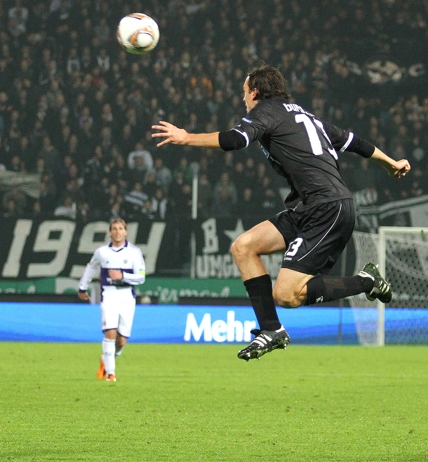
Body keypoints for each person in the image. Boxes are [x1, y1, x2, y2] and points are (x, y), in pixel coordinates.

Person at [152, 65, 411, 361]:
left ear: (256, 92)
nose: (243, 100)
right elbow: (354, 142)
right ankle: (271, 330)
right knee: (244, 247)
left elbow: (236, 140)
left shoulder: (265, 112)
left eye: (244, 93)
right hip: (307, 206)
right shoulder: (304, 116)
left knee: (287, 295)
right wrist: (390, 162)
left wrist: (187, 138)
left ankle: (366, 281)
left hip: (327, 208)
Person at [78, 218, 146, 381]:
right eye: (114, 229)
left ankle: (106, 359)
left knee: (121, 341)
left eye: (121, 228)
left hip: (127, 296)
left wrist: (123, 276)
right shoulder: (102, 252)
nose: (117, 232)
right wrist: (82, 287)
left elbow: (141, 277)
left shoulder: (134, 252)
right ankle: (111, 373)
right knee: (110, 333)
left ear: (126, 231)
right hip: (108, 295)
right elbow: (91, 267)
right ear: (110, 232)